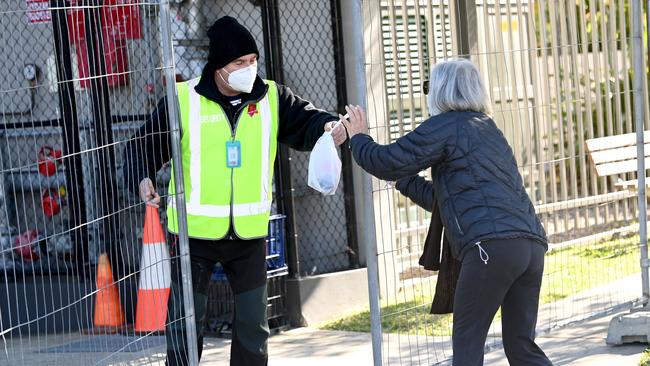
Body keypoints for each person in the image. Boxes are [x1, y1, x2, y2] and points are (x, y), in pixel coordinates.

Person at [123, 16, 346, 366]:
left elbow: (309, 120)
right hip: (193, 236)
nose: (249, 69)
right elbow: (140, 146)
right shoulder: (184, 99)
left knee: (252, 331)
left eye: (253, 61)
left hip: (249, 237)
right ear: (219, 68)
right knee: (185, 326)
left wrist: (332, 126)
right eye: (239, 63)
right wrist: (141, 178)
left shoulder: (272, 97)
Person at [341, 59, 553, 366]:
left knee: (467, 346)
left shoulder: (446, 126)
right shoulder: (487, 129)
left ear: (440, 91)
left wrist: (357, 137)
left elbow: (385, 161)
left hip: (489, 249)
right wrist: (404, 180)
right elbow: (443, 200)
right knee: (521, 346)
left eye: (429, 86)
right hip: (530, 248)